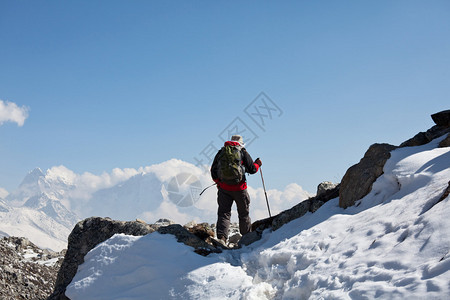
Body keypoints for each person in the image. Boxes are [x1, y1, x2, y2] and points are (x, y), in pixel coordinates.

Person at [210, 135, 262, 244]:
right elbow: (252, 169)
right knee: (243, 214)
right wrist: (257, 164)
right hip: (240, 188)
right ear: (241, 143)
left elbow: (213, 170)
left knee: (224, 213)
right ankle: (246, 238)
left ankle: (222, 238)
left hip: (224, 188)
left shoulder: (221, 152)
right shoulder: (242, 151)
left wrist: (219, 183)